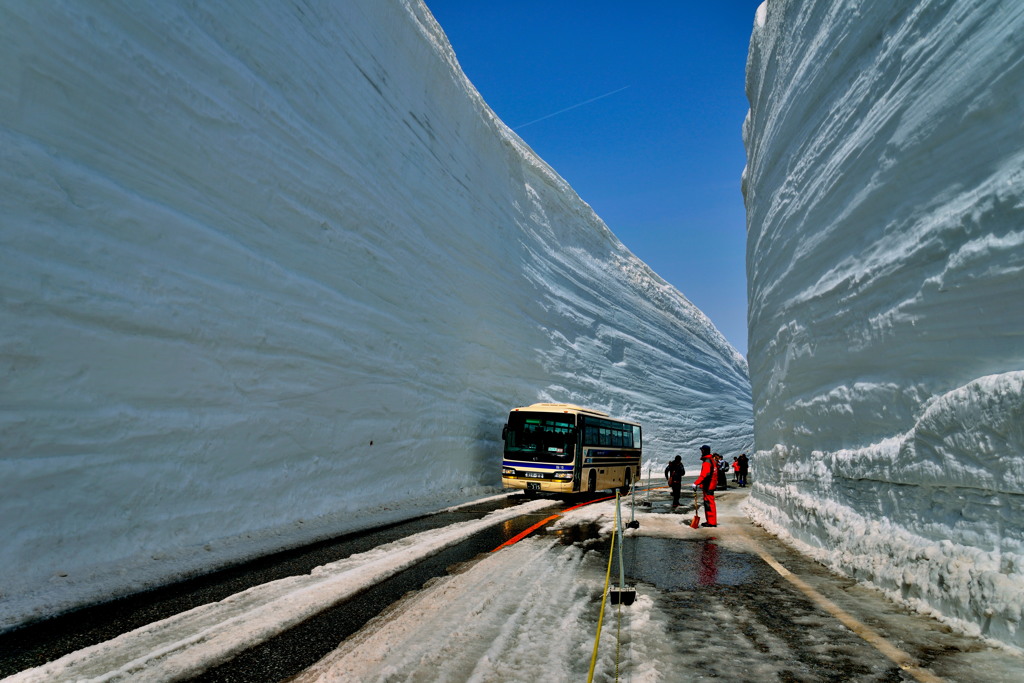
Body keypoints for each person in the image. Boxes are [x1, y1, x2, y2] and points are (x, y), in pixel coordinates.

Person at [692, 445, 718, 527]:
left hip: (708, 485)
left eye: (702, 450)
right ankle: (710, 521)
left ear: (704, 451)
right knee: (709, 503)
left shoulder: (707, 461)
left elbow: (705, 474)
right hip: (711, 484)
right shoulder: (712, 460)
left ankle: (712, 522)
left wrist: (696, 483)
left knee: (709, 504)